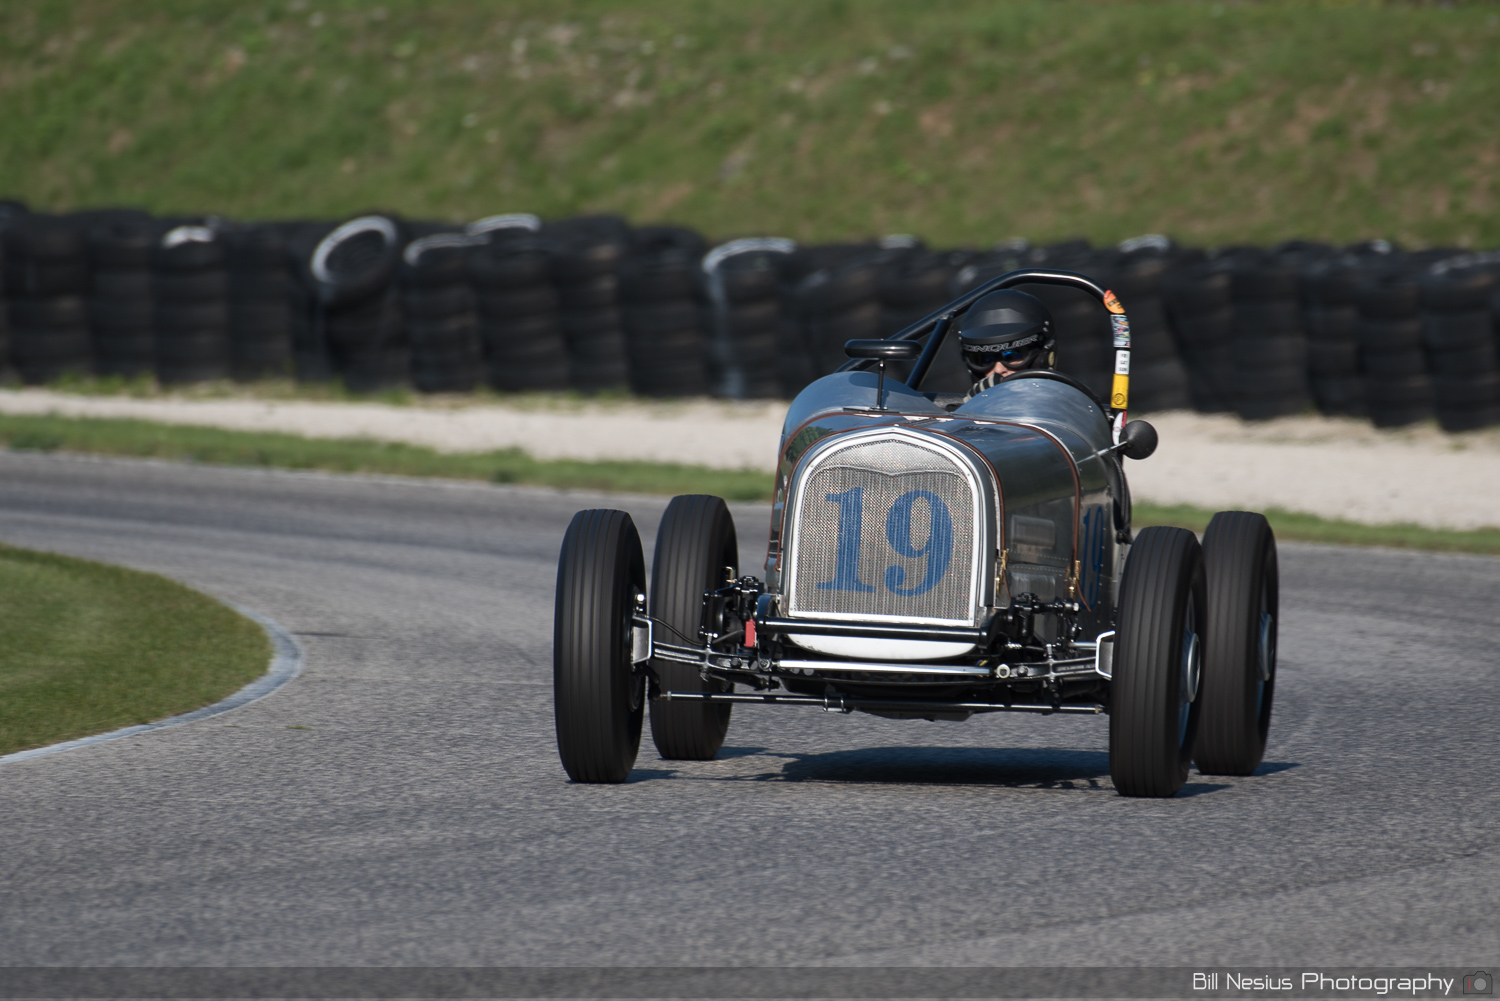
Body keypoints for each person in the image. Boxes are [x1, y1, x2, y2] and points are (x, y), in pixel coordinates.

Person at [957, 289, 1056, 400]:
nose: (999, 370)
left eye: (1013, 355)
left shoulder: (1068, 405)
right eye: (986, 360)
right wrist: (973, 409)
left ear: (1041, 357)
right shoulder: (966, 411)